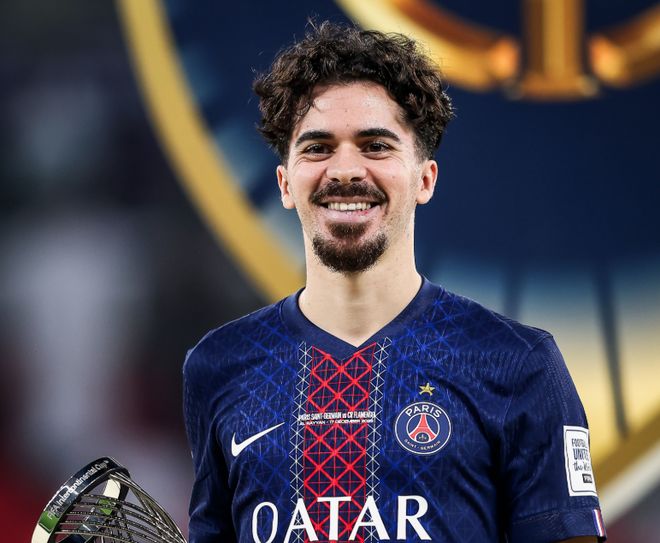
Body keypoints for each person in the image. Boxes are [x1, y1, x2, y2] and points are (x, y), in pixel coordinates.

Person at [183, 22, 606, 543]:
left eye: (375, 145)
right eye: (317, 148)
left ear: (425, 178)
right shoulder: (218, 365)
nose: (345, 170)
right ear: (285, 184)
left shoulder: (517, 363)